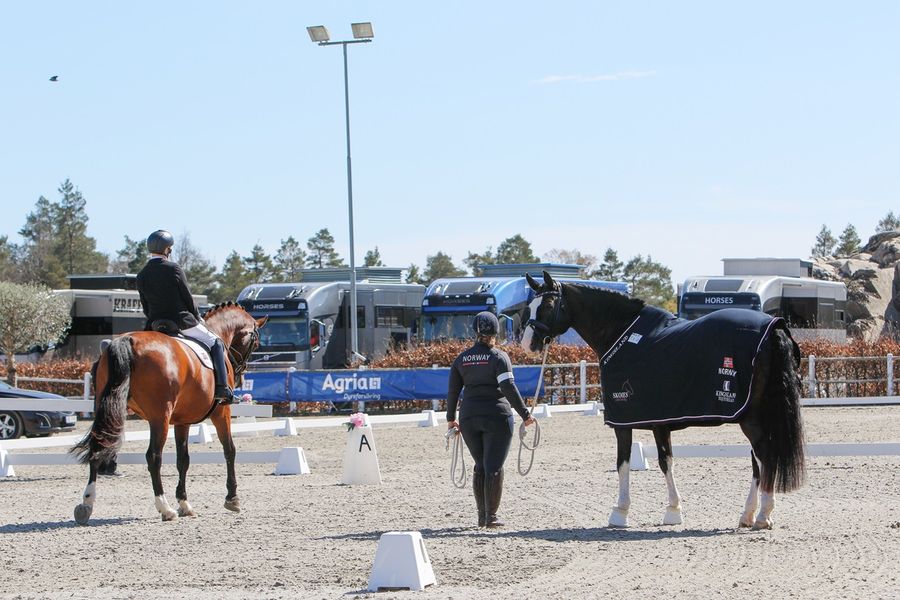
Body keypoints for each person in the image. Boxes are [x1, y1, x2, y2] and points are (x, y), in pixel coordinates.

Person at [446, 311, 536, 528]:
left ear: (475, 331)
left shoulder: (461, 359)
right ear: (497, 331)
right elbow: (507, 387)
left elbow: (452, 392)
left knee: (480, 465)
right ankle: (491, 517)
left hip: (469, 417)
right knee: (493, 466)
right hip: (497, 416)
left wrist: (451, 419)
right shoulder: (499, 357)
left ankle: (481, 516)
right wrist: (525, 414)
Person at [136, 229, 234, 403]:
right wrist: (197, 316)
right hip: (181, 321)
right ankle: (222, 389)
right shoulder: (173, 268)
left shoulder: (142, 274)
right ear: (167, 249)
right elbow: (186, 296)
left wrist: (153, 320)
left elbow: (145, 305)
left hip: (155, 323)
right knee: (216, 343)